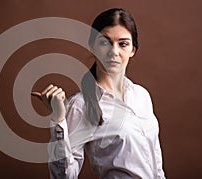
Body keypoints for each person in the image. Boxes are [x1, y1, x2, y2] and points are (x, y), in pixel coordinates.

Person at [32, 8, 165, 179]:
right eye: (104, 42)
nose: (114, 52)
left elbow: (156, 162)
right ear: (92, 46)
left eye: (123, 44)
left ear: (133, 49)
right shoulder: (82, 105)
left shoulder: (142, 95)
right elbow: (64, 176)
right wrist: (59, 119)